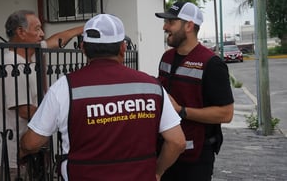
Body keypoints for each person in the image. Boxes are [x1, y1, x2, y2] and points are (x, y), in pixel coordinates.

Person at [20, 13, 186, 181]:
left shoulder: (64, 88)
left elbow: (31, 143)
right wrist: (157, 171)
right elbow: (177, 142)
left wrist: (20, 148)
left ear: (83, 48)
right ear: (123, 47)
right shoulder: (151, 86)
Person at [0, 10, 83, 180]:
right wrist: (62, 117)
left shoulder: (30, 53)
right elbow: (24, 110)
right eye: (38, 29)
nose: (42, 34)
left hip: (32, 149)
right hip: (16, 156)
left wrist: (83, 28)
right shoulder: (12, 65)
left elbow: (55, 41)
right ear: (21, 32)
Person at [155, 1, 234, 181]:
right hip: (165, 151)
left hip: (195, 158)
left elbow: (226, 113)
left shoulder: (212, 64)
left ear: (189, 26)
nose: (165, 27)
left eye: (171, 22)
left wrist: (181, 110)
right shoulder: (166, 57)